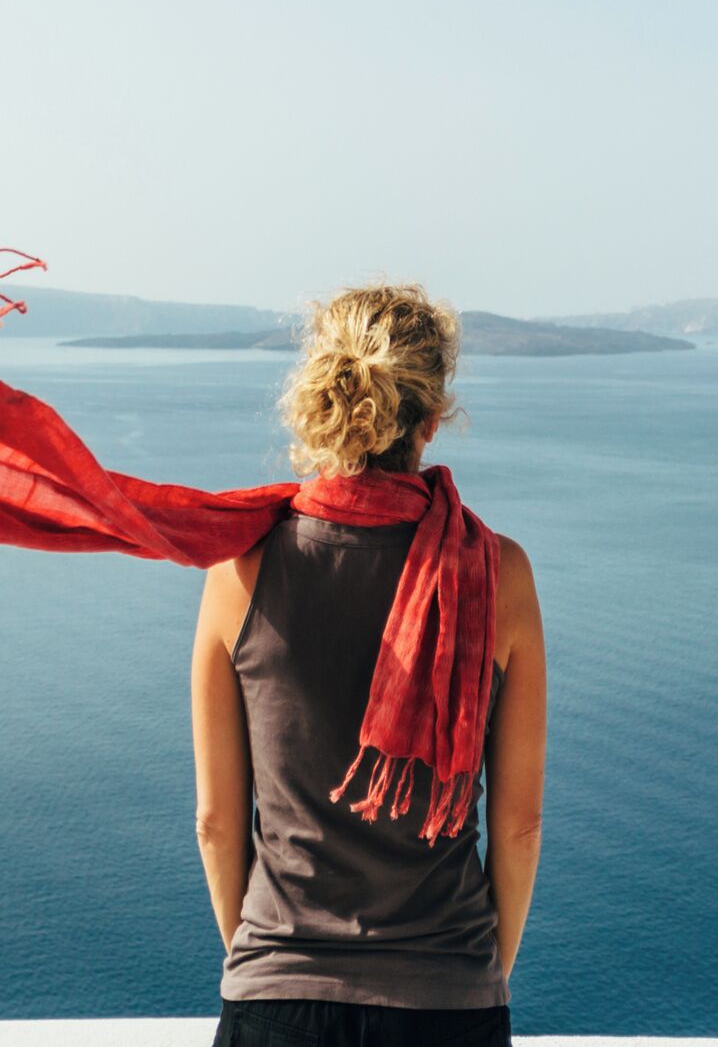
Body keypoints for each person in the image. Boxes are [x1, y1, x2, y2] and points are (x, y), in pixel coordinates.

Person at [189, 286, 548, 1047]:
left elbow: (219, 823)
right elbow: (518, 828)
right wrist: (483, 975)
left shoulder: (240, 567)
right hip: (448, 1000)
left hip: (274, 998)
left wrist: (260, 967)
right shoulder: (497, 572)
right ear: (434, 417)